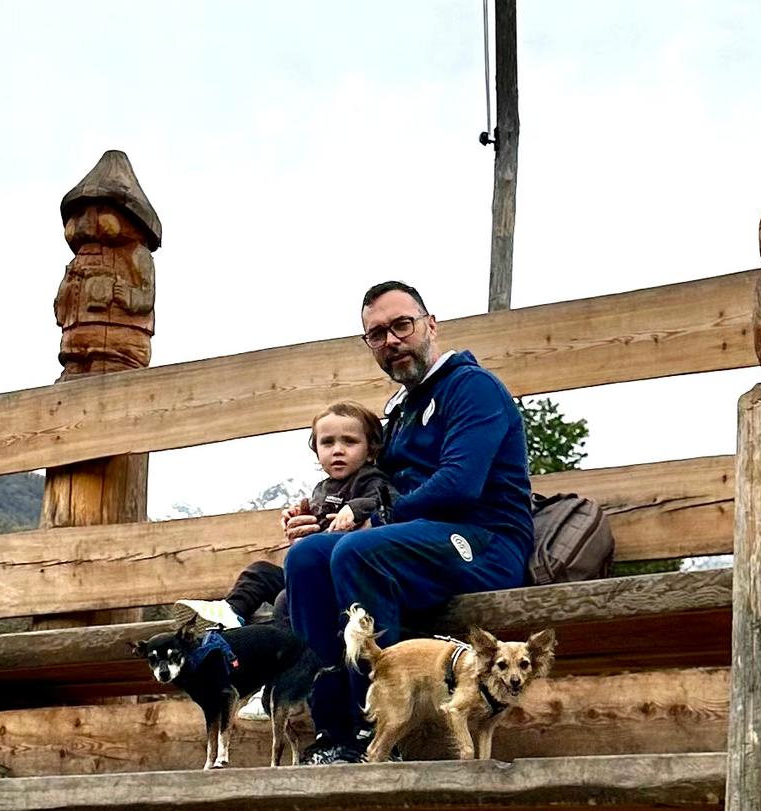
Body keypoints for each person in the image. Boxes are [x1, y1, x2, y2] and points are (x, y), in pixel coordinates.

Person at [284, 281, 533, 760]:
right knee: (307, 559)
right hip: (418, 545)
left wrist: (376, 519)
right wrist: (323, 517)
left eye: (402, 325)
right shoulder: (400, 412)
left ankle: (379, 730)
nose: (391, 340)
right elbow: (376, 490)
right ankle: (337, 733)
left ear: (430, 325)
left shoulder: (472, 388)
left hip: (487, 543)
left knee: (360, 551)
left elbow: (460, 484)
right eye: (376, 334)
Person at [222, 402, 392, 628]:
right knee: (259, 572)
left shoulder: (370, 479)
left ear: (371, 450)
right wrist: (299, 516)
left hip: (337, 577)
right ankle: (227, 615)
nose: (337, 450)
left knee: (285, 601)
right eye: (327, 442)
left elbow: (388, 501)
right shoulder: (322, 488)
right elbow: (316, 521)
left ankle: (292, 653)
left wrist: (355, 508)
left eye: (350, 441)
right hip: (309, 571)